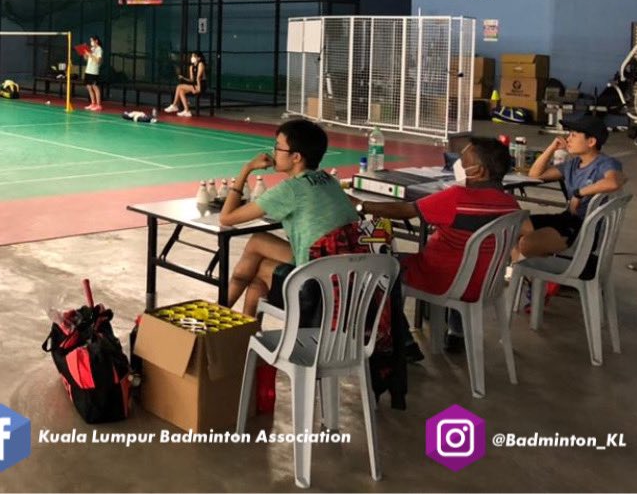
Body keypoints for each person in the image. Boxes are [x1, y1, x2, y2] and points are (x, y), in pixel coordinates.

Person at [358, 138, 518, 351]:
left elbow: (406, 210)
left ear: (479, 171)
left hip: (442, 279)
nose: (459, 166)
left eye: (464, 162)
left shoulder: (456, 198)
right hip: (484, 282)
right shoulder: (511, 204)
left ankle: (400, 341)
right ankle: (457, 330)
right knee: (466, 257)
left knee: (380, 266)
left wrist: (362, 206)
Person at [219, 118, 361, 316]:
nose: (273, 152)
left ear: (296, 157)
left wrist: (247, 169)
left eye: (278, 147)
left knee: (259, 271)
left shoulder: (290, 189)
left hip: (320, 285)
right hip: (348, 270)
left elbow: (226, 218)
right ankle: (231, 321)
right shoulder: (328, 179)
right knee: (258, 241)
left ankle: (219, 316)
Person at [517, 114, 625, 263]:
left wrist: (579, 193)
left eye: (574, 135)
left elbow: (614, 182)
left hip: (583, 228)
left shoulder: (604, 163)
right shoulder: (573, 164)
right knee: (513, 228)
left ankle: (534, 270)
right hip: (566, 219)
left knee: (526, 244)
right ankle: (525, 271)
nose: (568, 139)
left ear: (591, 142)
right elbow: (535, 175)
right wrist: (552, 148)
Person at [163, 51, 206, 118]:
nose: (192, 58)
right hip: (194, 85)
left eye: (194, 56)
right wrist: (183, 78)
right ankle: (186, 110)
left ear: (199, 58)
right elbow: (192, 80)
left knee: (179, 87)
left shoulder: (201, 64)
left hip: (201, 85)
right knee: (181, 91)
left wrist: (198, 89)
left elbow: (198, 78)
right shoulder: (191, 67)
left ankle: (175, 105)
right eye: (192, 56)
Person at [82, 35, 103, 111]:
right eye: (90, 41)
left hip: (94, 71)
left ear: (96, 41)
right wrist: (84, 52)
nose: (91, 42)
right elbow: (86, 58)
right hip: (88, 70)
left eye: (91, 40)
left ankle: (98, 105)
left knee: (95, 87)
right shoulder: (91, 48)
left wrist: (90, 54)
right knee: (88, 87)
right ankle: (93, 103)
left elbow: (98, 61)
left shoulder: (99, 49)